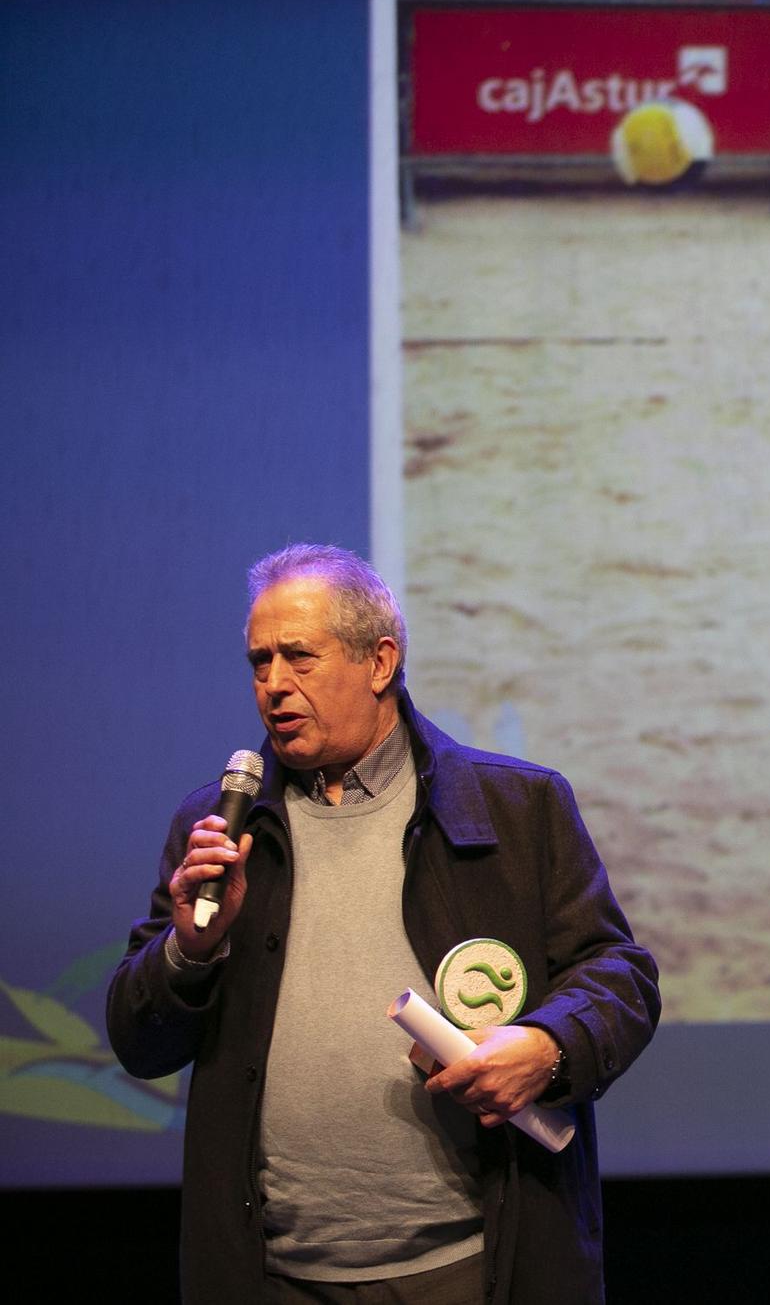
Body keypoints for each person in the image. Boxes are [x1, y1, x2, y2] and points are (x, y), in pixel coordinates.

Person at [105, 544, 661, 1304]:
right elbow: (140, 1041)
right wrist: (190, 949)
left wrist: (548, 1044)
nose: (273, 685)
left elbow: (620, 977)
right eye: (259, 661)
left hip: (471, 1265)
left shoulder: (516, 807)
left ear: (380, 660)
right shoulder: (219, 825)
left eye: (298, 656)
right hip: (275, 1276)